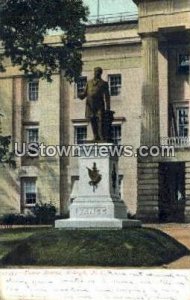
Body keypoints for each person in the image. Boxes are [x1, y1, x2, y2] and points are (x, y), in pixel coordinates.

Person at [78, 67, 111, 142]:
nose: (96, 73)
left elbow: (107, 96)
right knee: (92, 120)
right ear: (94, 72)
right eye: (95, 71)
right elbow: (85, 93)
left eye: (98, 72)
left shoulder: (104, 83)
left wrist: (108, 108)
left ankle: (101, 136)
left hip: (99, 105)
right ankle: (95, 136)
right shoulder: (89, 82)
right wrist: (81, 95)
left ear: (100, 73)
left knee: (101, 119)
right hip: (90, 105)